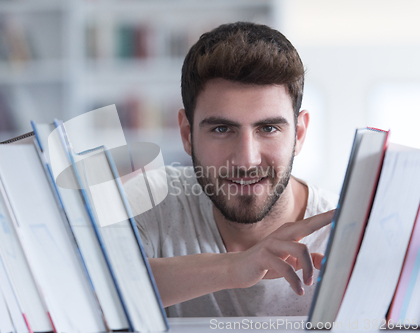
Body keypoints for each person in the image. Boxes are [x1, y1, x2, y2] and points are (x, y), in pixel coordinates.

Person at [129, 21, 338, 317]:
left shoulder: (346, 237)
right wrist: (234, 268)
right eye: (222, 128)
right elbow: (87, 291)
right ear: (188, 134)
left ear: (299, 134)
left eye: (268, 128)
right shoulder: (152, 200)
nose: (246, 160)